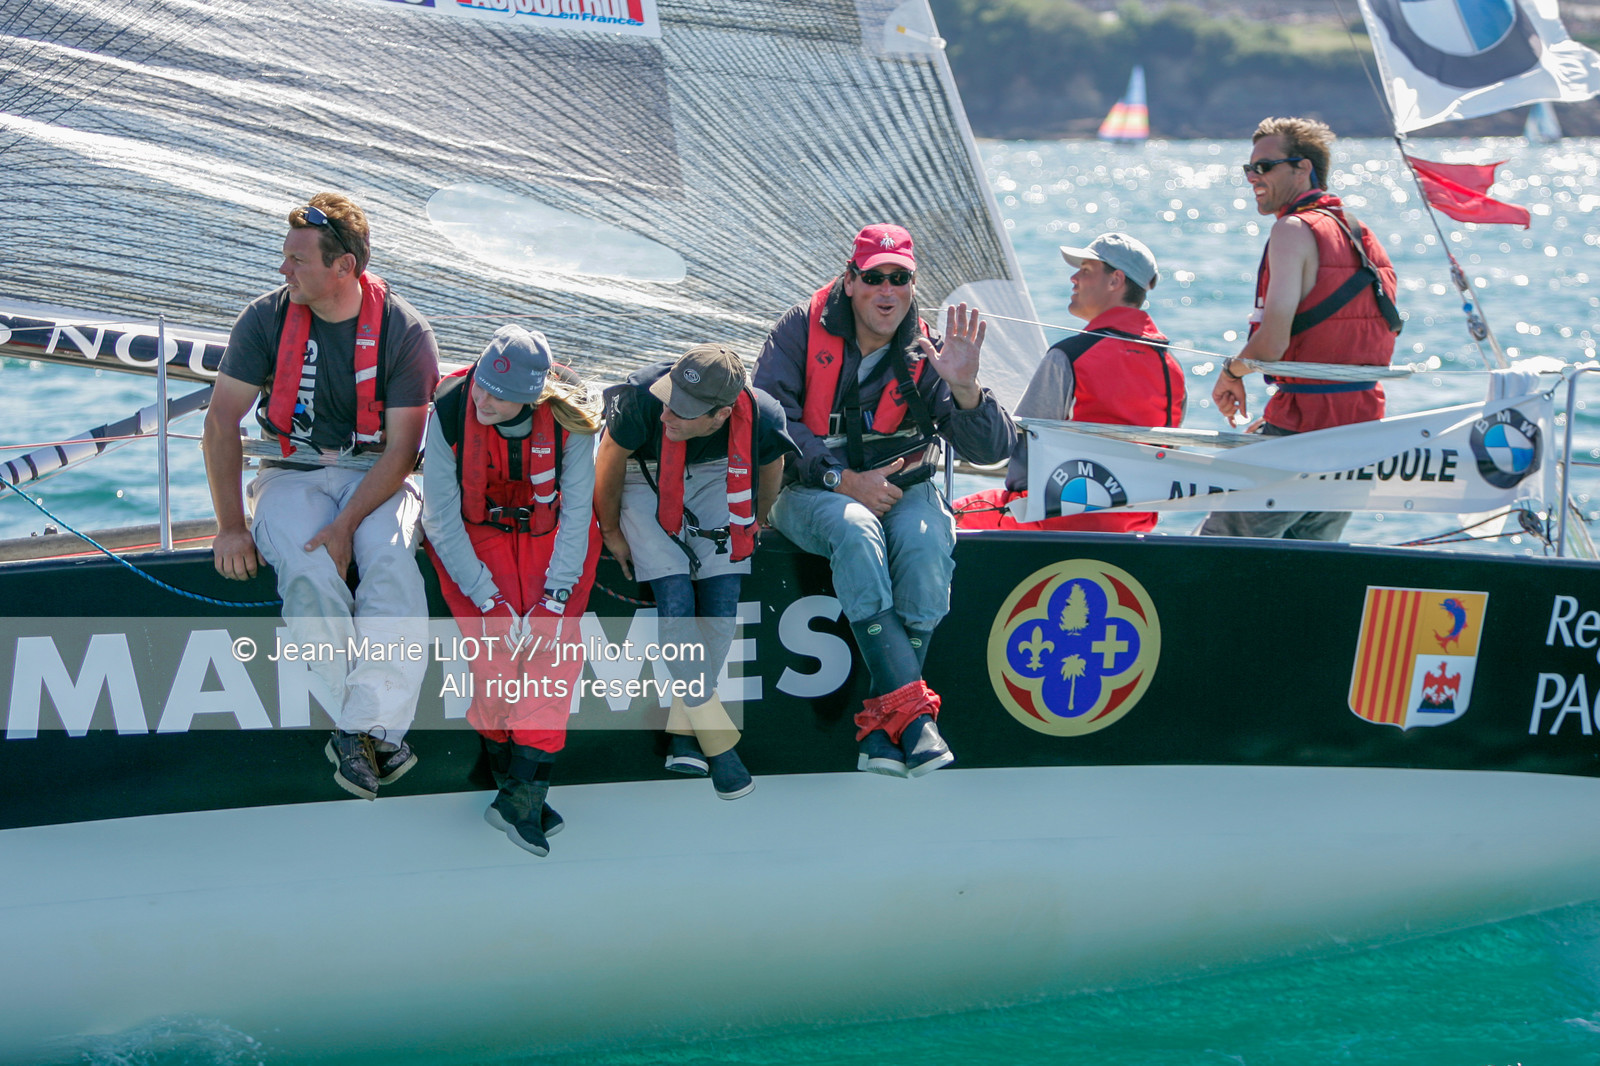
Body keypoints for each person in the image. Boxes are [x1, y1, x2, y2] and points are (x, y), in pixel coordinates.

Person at [753, 223, 1015, 777]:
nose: (887, 291)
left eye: (900, 278)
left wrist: (967, 388)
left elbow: (993, 450)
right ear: (850, 281)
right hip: (809, 491)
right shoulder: (798, 331)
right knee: (854, 528)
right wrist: (842, 480)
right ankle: (917, 720)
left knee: (923, 549)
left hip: (905, 489)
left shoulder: (927, 348)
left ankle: (882, 729)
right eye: (874, 278)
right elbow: (769, 424)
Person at [203, 192, 439, 800]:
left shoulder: (404, 331)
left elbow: (403, 451)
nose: (284, 270)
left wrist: (346, 526)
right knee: (307, 570)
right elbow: (221, 420)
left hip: (377, 474)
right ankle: (373, 735)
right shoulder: (265, 317)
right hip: (290, 472)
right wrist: (232, 527)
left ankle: (355, 734)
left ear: (345, 268)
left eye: (298, 260)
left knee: (389, 567)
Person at [422, 325, 602, 857]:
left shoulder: (574, 423)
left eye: (498, 397)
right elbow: (439, 516)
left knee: (553, 655)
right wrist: (487, 599)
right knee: (497, 656)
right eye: (481, 383)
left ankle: (520, 798)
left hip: (553, 540)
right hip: (474, 540)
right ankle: (516, 790)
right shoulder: (451, 410)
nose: (481, 399)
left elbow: (576, 514)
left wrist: (553, 600)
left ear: (533, 398)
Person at [593, 344, 795, 800]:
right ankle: (719, 747)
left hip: (714, 473)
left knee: (721, 606)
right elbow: (608, 459)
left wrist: (755, 523)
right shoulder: (643, 398)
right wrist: (610, 530)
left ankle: (686, 735)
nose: (668, 415)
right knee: (677, 600)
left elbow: (770, 466)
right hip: (641, 471)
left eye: (683, 412)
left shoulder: (762, 414)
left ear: (722, 416)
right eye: (669, 399)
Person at [1202, 116, 1402, 541]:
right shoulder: (1358, 230)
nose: (1253, 177)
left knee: (1217, 560)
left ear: (1303, 167)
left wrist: (1231, 373)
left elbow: (1271, 344)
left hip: (1302, 432)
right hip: (1361, 434)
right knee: (1301, 578)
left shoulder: (1292, 230)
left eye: (1265, 166)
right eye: (1248, 169)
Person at [953, 232, 1184, 532]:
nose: (1073, 278)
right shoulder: (1171, 369)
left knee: (942, 516)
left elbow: (1021, 447)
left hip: (1050, 519)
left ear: (1116, 281)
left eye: (1086, 270)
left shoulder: (1070, 355)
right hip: (1133, 526)